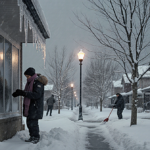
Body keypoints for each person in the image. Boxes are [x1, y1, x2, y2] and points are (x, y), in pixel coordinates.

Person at [12, 67, 48, 144]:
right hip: (31, 107)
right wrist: (19, 93)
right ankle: (32, 136)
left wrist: (24, 93)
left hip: (35, 107)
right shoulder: (30, 82)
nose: (27, 78)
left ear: (32, 75)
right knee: (29, 123)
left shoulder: (37, 82)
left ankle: (35, 137)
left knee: (33, 123)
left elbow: (36, 95)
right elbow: (28, 93)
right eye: (26, 76)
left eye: (28, 76)